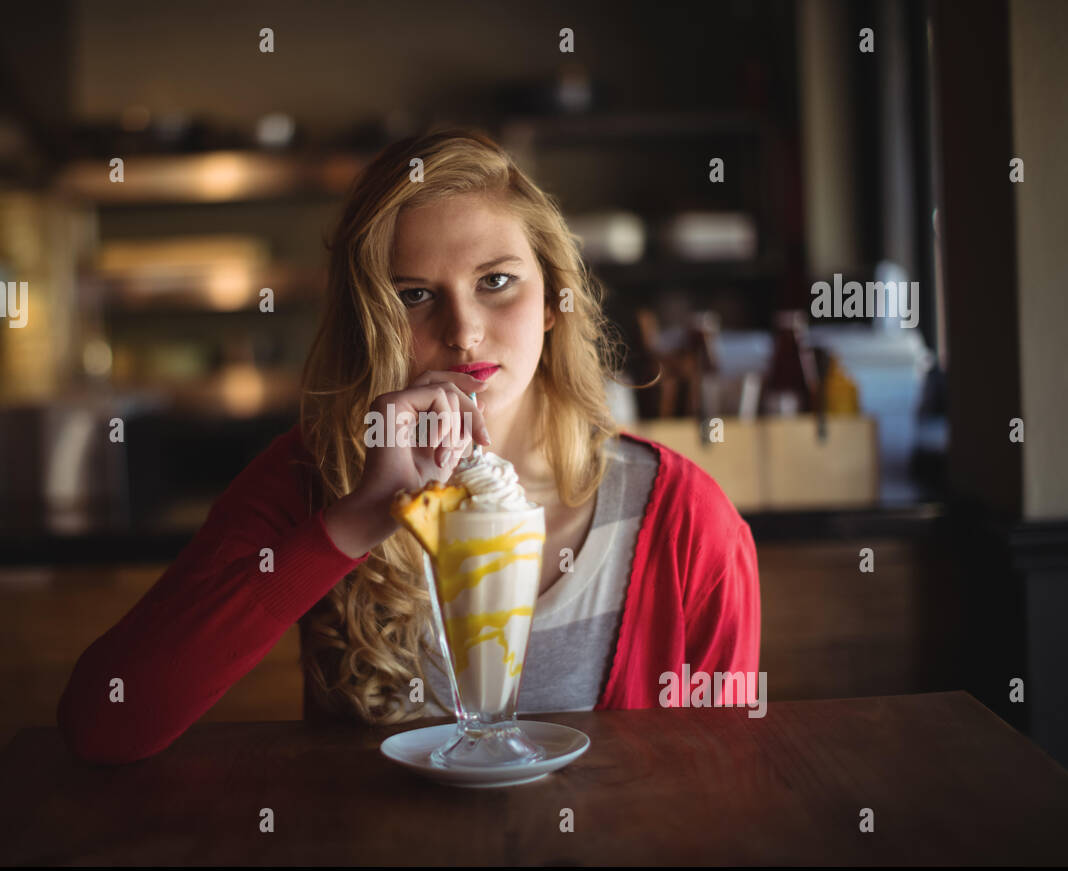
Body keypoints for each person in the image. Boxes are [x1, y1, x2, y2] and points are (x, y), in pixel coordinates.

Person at [58, 128, 760, 764]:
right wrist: (351, 524)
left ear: (552, 300)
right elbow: (104, 723)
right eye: (416, 295)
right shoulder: (319, 477)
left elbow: (720, 787)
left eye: (496, 282)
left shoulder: (682, 520)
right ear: (371, 323)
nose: (463, 331)